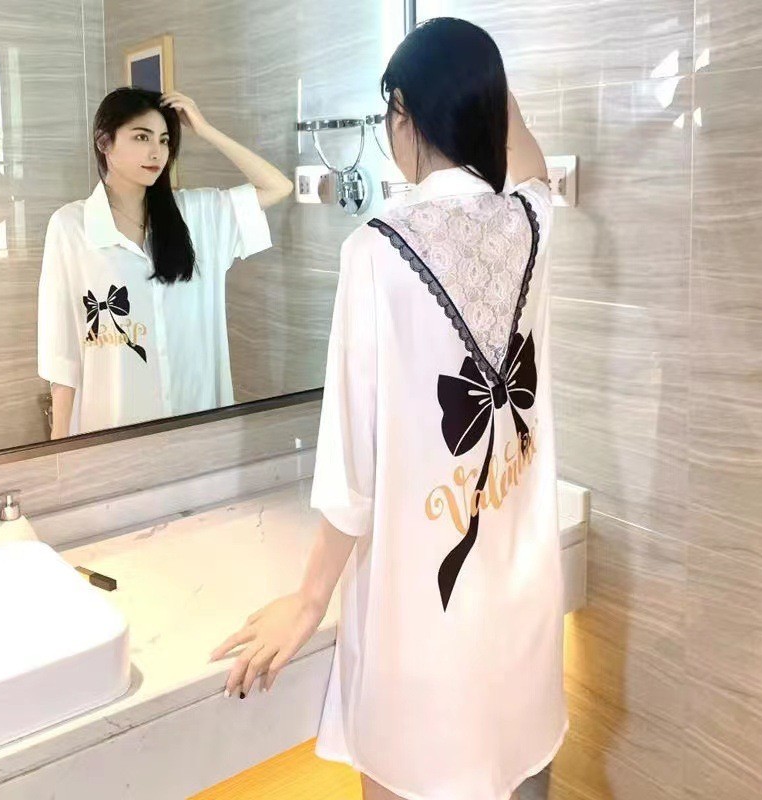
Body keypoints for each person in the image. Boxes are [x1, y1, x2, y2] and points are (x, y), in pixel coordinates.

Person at [211, 17, 567, 800]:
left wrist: (309, 599)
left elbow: (353, 467)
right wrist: (482, 80)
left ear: (403, 112)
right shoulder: (534, 221)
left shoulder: (377, 249)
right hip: (521, 616)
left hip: (423, 633)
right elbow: (529, 152)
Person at [37, 87, 292, 438]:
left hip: (197, 424)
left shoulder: (196, 215)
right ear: (104, 142)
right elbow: (61, 348)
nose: (156, 152)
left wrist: (204, 129)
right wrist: (59, 446)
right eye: (141, 137)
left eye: (165, 140)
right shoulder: (71, 226)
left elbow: (278, 186)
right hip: (111, 428)